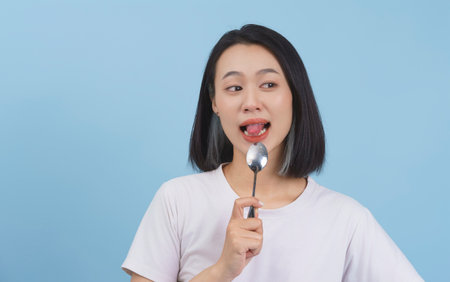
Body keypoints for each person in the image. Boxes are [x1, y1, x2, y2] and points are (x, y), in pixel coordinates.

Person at [122, 24, 423, 282]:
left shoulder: (346, 219)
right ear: (214, 102)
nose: (251, 102)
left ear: (295, 94)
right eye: (234, 87)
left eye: (268, 84)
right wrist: (221, 271)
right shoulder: (177, 201)